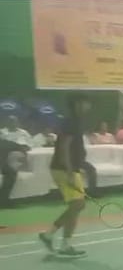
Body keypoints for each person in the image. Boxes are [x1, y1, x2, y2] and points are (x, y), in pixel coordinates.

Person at [38, 94, 92, 256]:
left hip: (70, 168)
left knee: (77, 206)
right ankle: (55, 239)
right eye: (86, 102)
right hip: (63, 169)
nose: (88, 106)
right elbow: (64, 147)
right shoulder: (71, 122)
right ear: (77, 104)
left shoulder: (76, 121)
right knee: (77, 205)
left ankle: (55, 239)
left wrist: (78, 168)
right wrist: (69, 171)